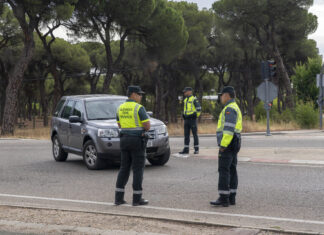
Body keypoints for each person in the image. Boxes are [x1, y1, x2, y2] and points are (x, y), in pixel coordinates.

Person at [115, 86, 150, 206]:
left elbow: (119, 125)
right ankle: (137, 199)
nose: (141, 96)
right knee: (138, 169)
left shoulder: (120, 108)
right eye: (139, 94)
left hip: (124, 139)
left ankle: (118, 198)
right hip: (137, 140)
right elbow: (147, 126)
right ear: (133, 94)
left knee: (124, 168)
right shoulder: (139, 108)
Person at [210, 86, 242, 207]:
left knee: (224, 170)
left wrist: (223, 145)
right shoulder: (235, 107)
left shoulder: (229, 109)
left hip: (228, 144)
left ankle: (223, 198)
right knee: (232, 169)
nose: (220, 97)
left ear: (227, 95)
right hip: (235, 142)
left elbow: (228, 129)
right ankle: (231, 197)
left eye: (221, 95)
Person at [179, 87, 202, 155]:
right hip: (186, 120)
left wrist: (195, 116)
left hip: (192, 120)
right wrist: (184, 115)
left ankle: (196, 149)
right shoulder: (185, 100)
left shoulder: (194, 99)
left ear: (189, 91)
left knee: (195, 135)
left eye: (185, 92)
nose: (184, 93)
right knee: (186, 135)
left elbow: (199, 109)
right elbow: (185, 109)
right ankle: (186, 149)